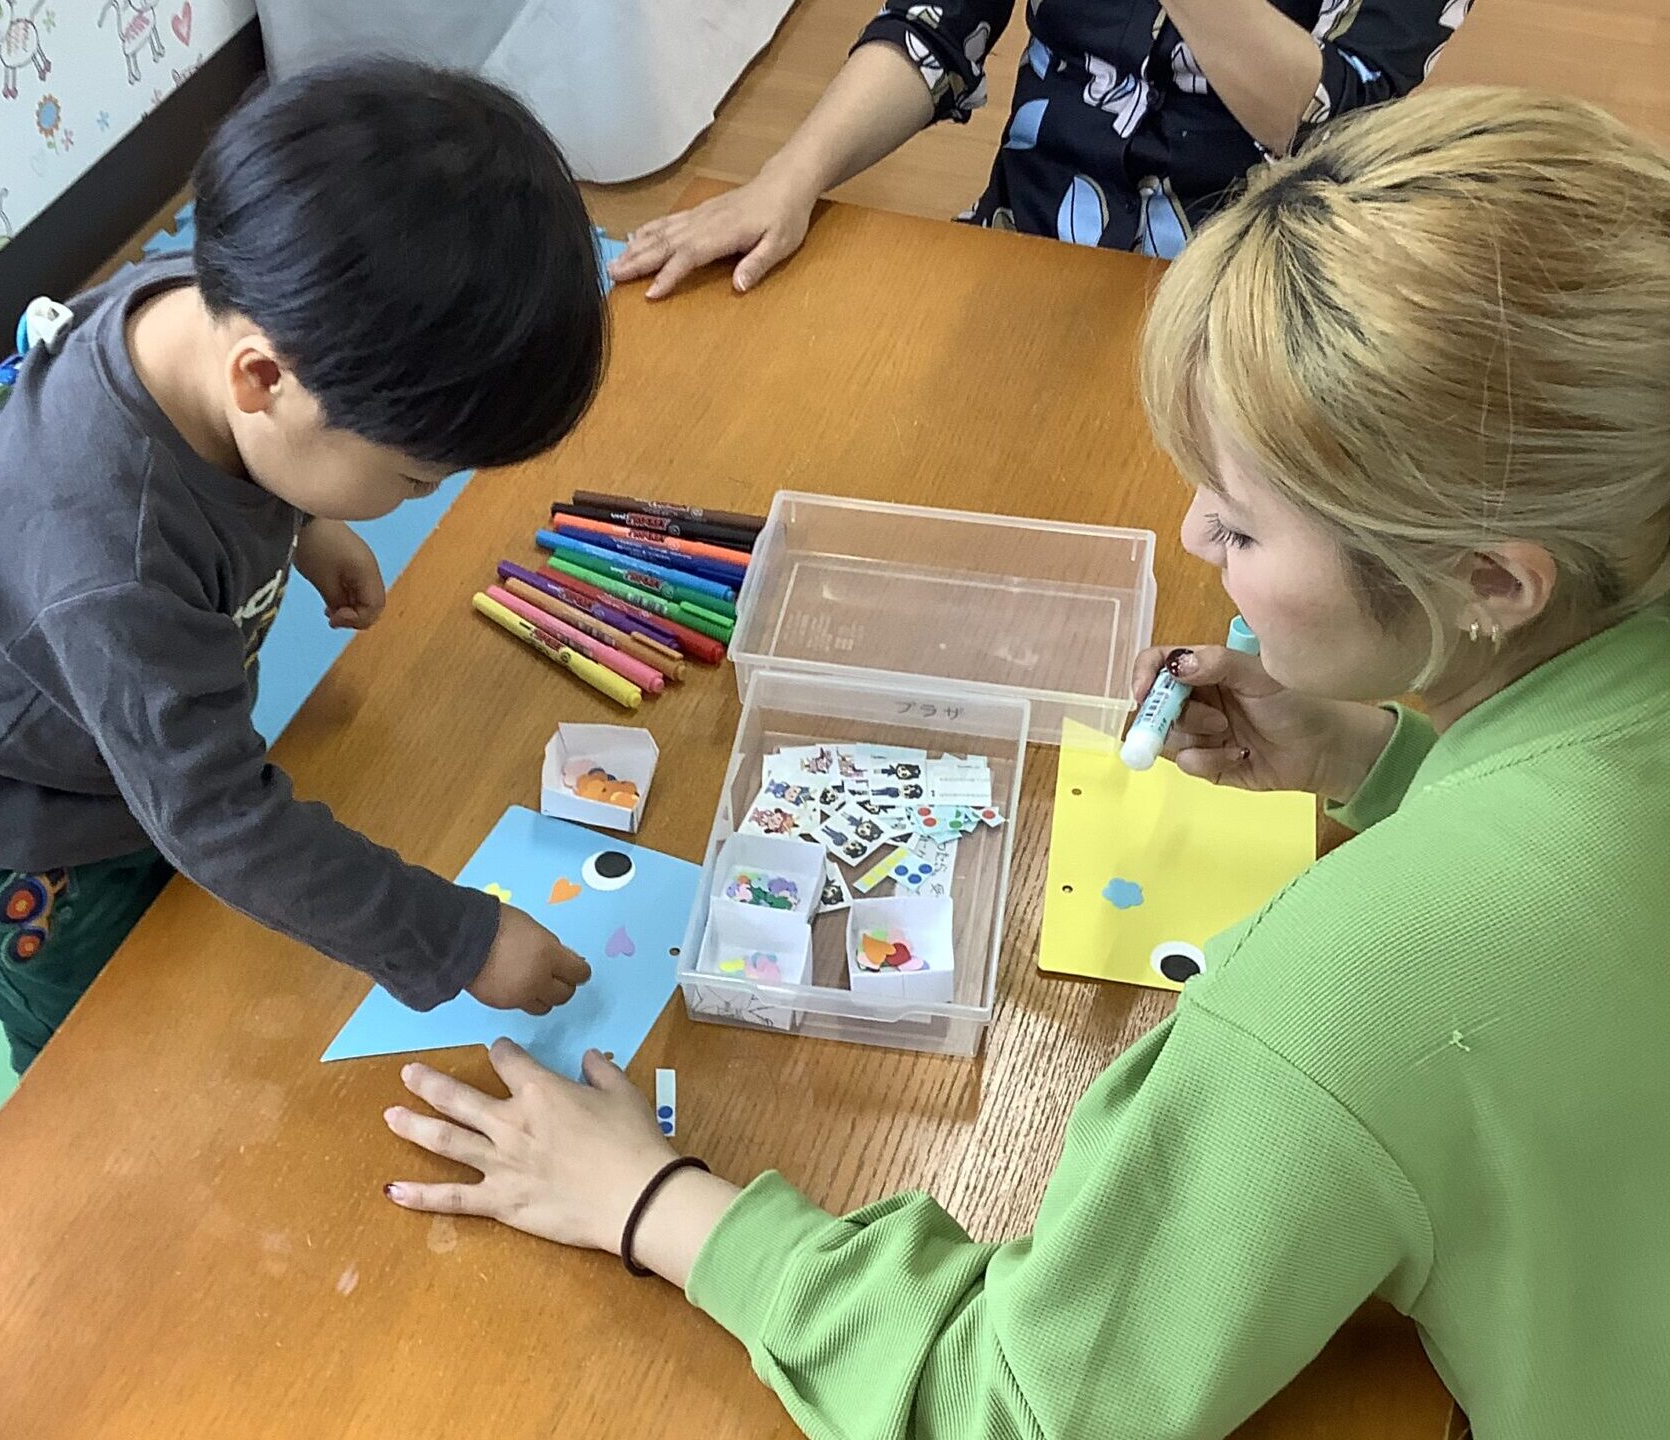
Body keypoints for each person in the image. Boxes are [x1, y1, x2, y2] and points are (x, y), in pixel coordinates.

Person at [382, 87, 1670, 1438]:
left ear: (1491, 582)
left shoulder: (1349, 985)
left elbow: (1017, 1404)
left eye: (1240, 526)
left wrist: (651, 1202)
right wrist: (1377, 757)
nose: (1191, 537)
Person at [0, 61, 605, 1073]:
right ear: (264, 379)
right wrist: (457, 939)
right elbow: (215, 816)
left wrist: (302, 524)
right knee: (105, 1051)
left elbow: (262, 455)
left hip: (119, 721)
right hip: (8, 812)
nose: (422, 497)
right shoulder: (112, 557)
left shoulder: (211, 307)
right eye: (415, 479)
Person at [611, 0, 1473, 297]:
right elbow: (935, 25)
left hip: (1252, 292)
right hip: (1026, 239)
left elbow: (1337, 126)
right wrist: (789, 176)